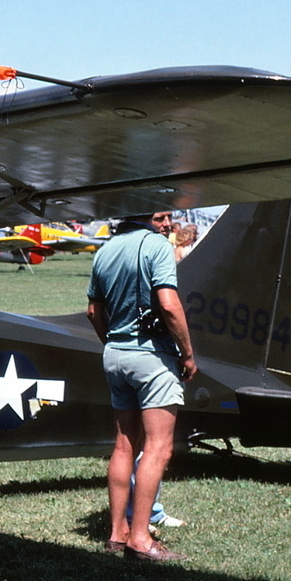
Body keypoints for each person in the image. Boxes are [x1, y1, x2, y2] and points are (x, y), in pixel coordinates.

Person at [87, 211, 196, 562]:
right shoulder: (155, 245)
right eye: (161, 216)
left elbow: (93, 311)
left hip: (115, 355)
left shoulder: (105, 249)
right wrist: (188, 354)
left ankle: (117, 532)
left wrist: (114, 343)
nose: (167, 224)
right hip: (152, 358)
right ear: (146, 218)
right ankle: (140, 537)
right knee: (158, 448)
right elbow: (168, 303)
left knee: (123, 445)